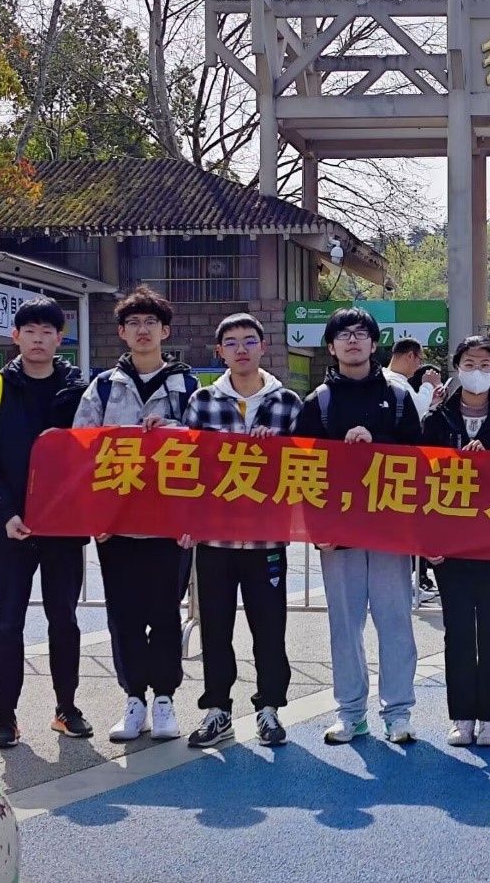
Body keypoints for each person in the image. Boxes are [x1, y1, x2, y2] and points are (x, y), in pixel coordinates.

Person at [73, 285, 197, 743]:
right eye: (133, 323)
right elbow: (81, 454)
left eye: (151, 323)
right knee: (123, 615)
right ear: (122, 333)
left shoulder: (187, 387)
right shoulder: (103, 387)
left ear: (165, 331)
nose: (143, 330)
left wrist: (174, 431)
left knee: (165, 613)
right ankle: (134, 700)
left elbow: (206, 454)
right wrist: (94, 518)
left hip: (170, 527)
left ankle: (164, 699)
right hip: (117, 526)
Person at [295, 307, 422, 744]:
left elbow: (420, 460)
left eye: (360, 333)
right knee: (345, 627)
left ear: (373, 343)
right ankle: (350, 713)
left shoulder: (399, 397)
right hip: (339, 535)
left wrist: (377, 443)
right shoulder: (318, 402)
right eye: (343, 334)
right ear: (331, 347)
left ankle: (398, 713)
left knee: (395, 623)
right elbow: (302, 469)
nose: (352, 340)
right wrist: (317, 530)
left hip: (390, 531)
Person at [0, 297, 91, 749]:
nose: (39, 339)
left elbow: (96, 454)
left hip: (64, 529)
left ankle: (67, 708)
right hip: (11, 530)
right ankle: (6, 717)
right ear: (15, 335)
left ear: (60, 338)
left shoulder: (79, 389)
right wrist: (5, 513)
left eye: (48, 331)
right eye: (30, 331)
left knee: (65, 620)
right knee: (7, 624)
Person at [178, 314, 302, 749]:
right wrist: (186, 521)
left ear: (264, 347)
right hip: (215, 539)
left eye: (250, 341)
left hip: (267, 538)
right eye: (231, 343)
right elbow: (188, 467)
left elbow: (307, 468)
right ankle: (217, 710)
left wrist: (277, 450)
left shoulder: (287, 403)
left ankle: (269, 709)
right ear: (220, 352)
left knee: (269, 628)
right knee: (215, 627)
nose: (241, 349)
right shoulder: (202, 401)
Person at [421, 335, 490, 747]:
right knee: (458, 629)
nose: (477, 371)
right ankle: (462, 715)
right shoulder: (436, 420)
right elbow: (420, 481)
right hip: (450, 543)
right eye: (469, 363)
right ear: (457, 367)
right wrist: (427, 541)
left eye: (485, 364)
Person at [384, 337, 442, 419]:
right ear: (410, 356)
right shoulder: (395, 381)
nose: (419, 366)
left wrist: (430, 399)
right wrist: (428, 384)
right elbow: (416, 409)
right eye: (420, 360)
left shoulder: (383, 376)